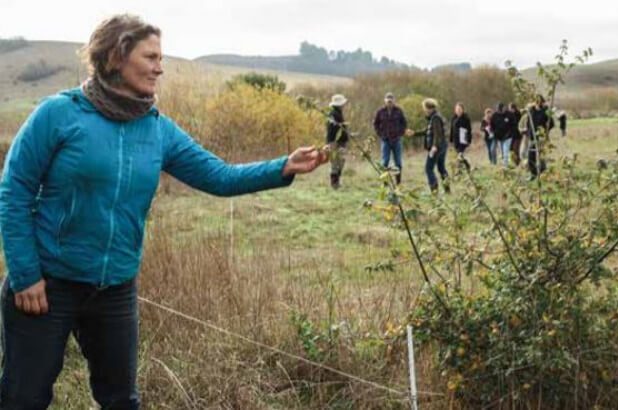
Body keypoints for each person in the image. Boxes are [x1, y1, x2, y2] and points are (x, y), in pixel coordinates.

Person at [0, 14, 327, 409]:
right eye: (151, 56)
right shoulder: (59, 114)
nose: (160, 67)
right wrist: (25, 274)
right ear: (116, 57)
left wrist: (282, 167)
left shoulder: (158, 129)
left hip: (114, 289)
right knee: (24, 398)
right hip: (47, 285)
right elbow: (14, 189)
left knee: (122, 400)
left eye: (162, 57)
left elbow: (218, 176)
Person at [372, 92, 407, 184]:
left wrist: (400, 133)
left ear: (394, 101)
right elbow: (375, 124)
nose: (389, 102)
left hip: (396, 140)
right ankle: (385, 183)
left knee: (398, 163)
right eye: (388, 101)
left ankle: (398, 183)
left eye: (391, 101)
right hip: (385, 140)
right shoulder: (380, 112)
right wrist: (380, 134)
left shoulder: (399, 111)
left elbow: (404, 123)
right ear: (385, 101)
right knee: (385, 162)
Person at [421, 98, 449, 193]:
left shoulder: (435, 118)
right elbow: (428, 131)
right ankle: (447, 189)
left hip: (437, 147)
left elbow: (438, 134)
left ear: (429, 108)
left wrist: (434, 146)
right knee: (441, 168)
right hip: (443, 146)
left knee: (428, 168)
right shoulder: (435, 117)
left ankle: (434, 189)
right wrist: (414, 133)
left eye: (425, 108)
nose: (425, 111)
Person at [525, 94, 552, 178]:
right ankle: (533, 174)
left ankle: (543, 173)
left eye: (540, 100)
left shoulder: (546, 110)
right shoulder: (531, 110)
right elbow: (528, 122)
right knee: (530, 156)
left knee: (541, 156)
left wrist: (545, 130)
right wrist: (528, 132)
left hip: (541, 136)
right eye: (536, 100)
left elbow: (551, 124)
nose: (538, 102)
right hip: (532, 136)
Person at [327, 94, 350, 189]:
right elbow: (334, 128)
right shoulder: (332, 114)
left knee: (340, 161)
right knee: (335, 162)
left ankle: (337, 182)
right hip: (335, 141)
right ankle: (334, 184)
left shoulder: (338, 113)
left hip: (340, 141)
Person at [450, 102, 472, 170]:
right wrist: (450, 139)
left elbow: (469, 129)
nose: (458, 111)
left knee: (460, 155)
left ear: (463, 110)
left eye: (459, 109)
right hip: (456, 140)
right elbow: (452, 129)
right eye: (457, 109)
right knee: (459, 155)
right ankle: (467, 165)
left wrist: (469, 140)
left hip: (463, 140)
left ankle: (459, 170)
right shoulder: (453, 118)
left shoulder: (466, 118)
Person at [490, 102, 513, 167]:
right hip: (499, 137)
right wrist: (494, 133)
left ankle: (505, 167)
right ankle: (503, 165)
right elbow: (492, 126)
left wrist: (510, 133)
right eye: (499, 110)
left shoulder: (509, 115)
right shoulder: (494, 116)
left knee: (506, 152)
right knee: (502, 153)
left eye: (501, 110)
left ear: (504, 108)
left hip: (508, 137)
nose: (500, 112)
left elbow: (513, 125)